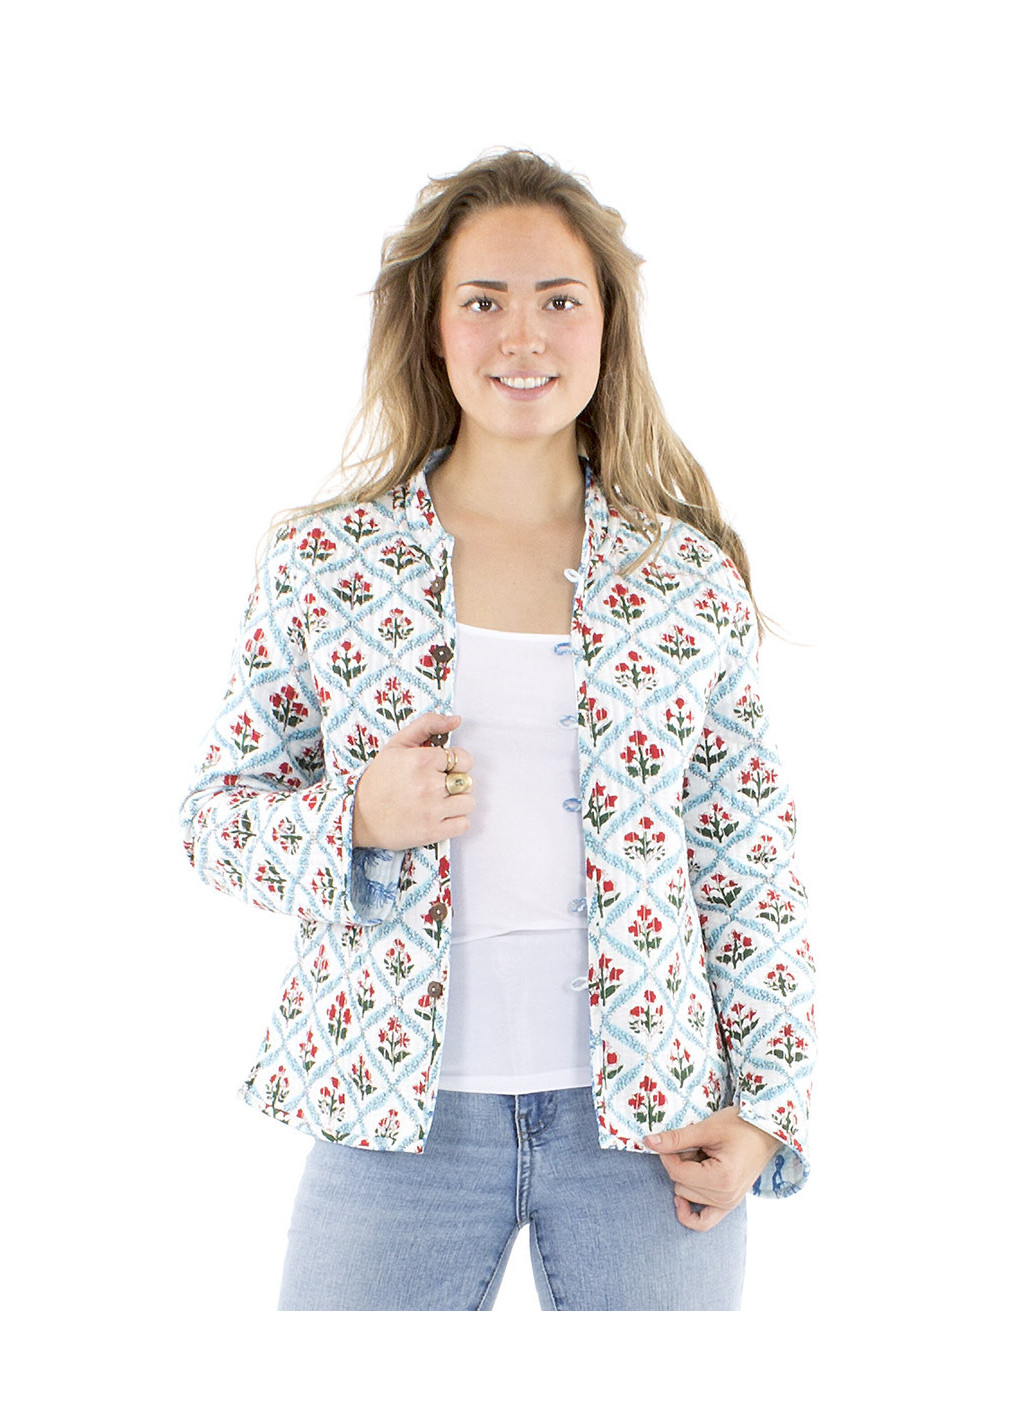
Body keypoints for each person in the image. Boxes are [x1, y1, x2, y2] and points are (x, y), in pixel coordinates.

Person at [179, 148, 816, 1311]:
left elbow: (747, 858)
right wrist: (357, 818)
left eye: (558, 301)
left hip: (652, 1124)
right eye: (483, 302)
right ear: (433, 331)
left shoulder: (684, 577)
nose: (522, 336)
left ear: (607, 328)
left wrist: (768, 1106)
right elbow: (215, 821)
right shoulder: (327, 563)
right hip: (391, 1117)